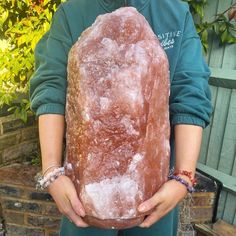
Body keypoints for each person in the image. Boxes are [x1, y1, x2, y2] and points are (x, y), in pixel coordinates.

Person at [29, 0, 212, 235]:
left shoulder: (174, 13)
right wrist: (52, 171)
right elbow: (50, 87)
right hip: (86, 192)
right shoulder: (71, 13)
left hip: (154, 191)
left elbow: (191, 91)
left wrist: (184, 177)